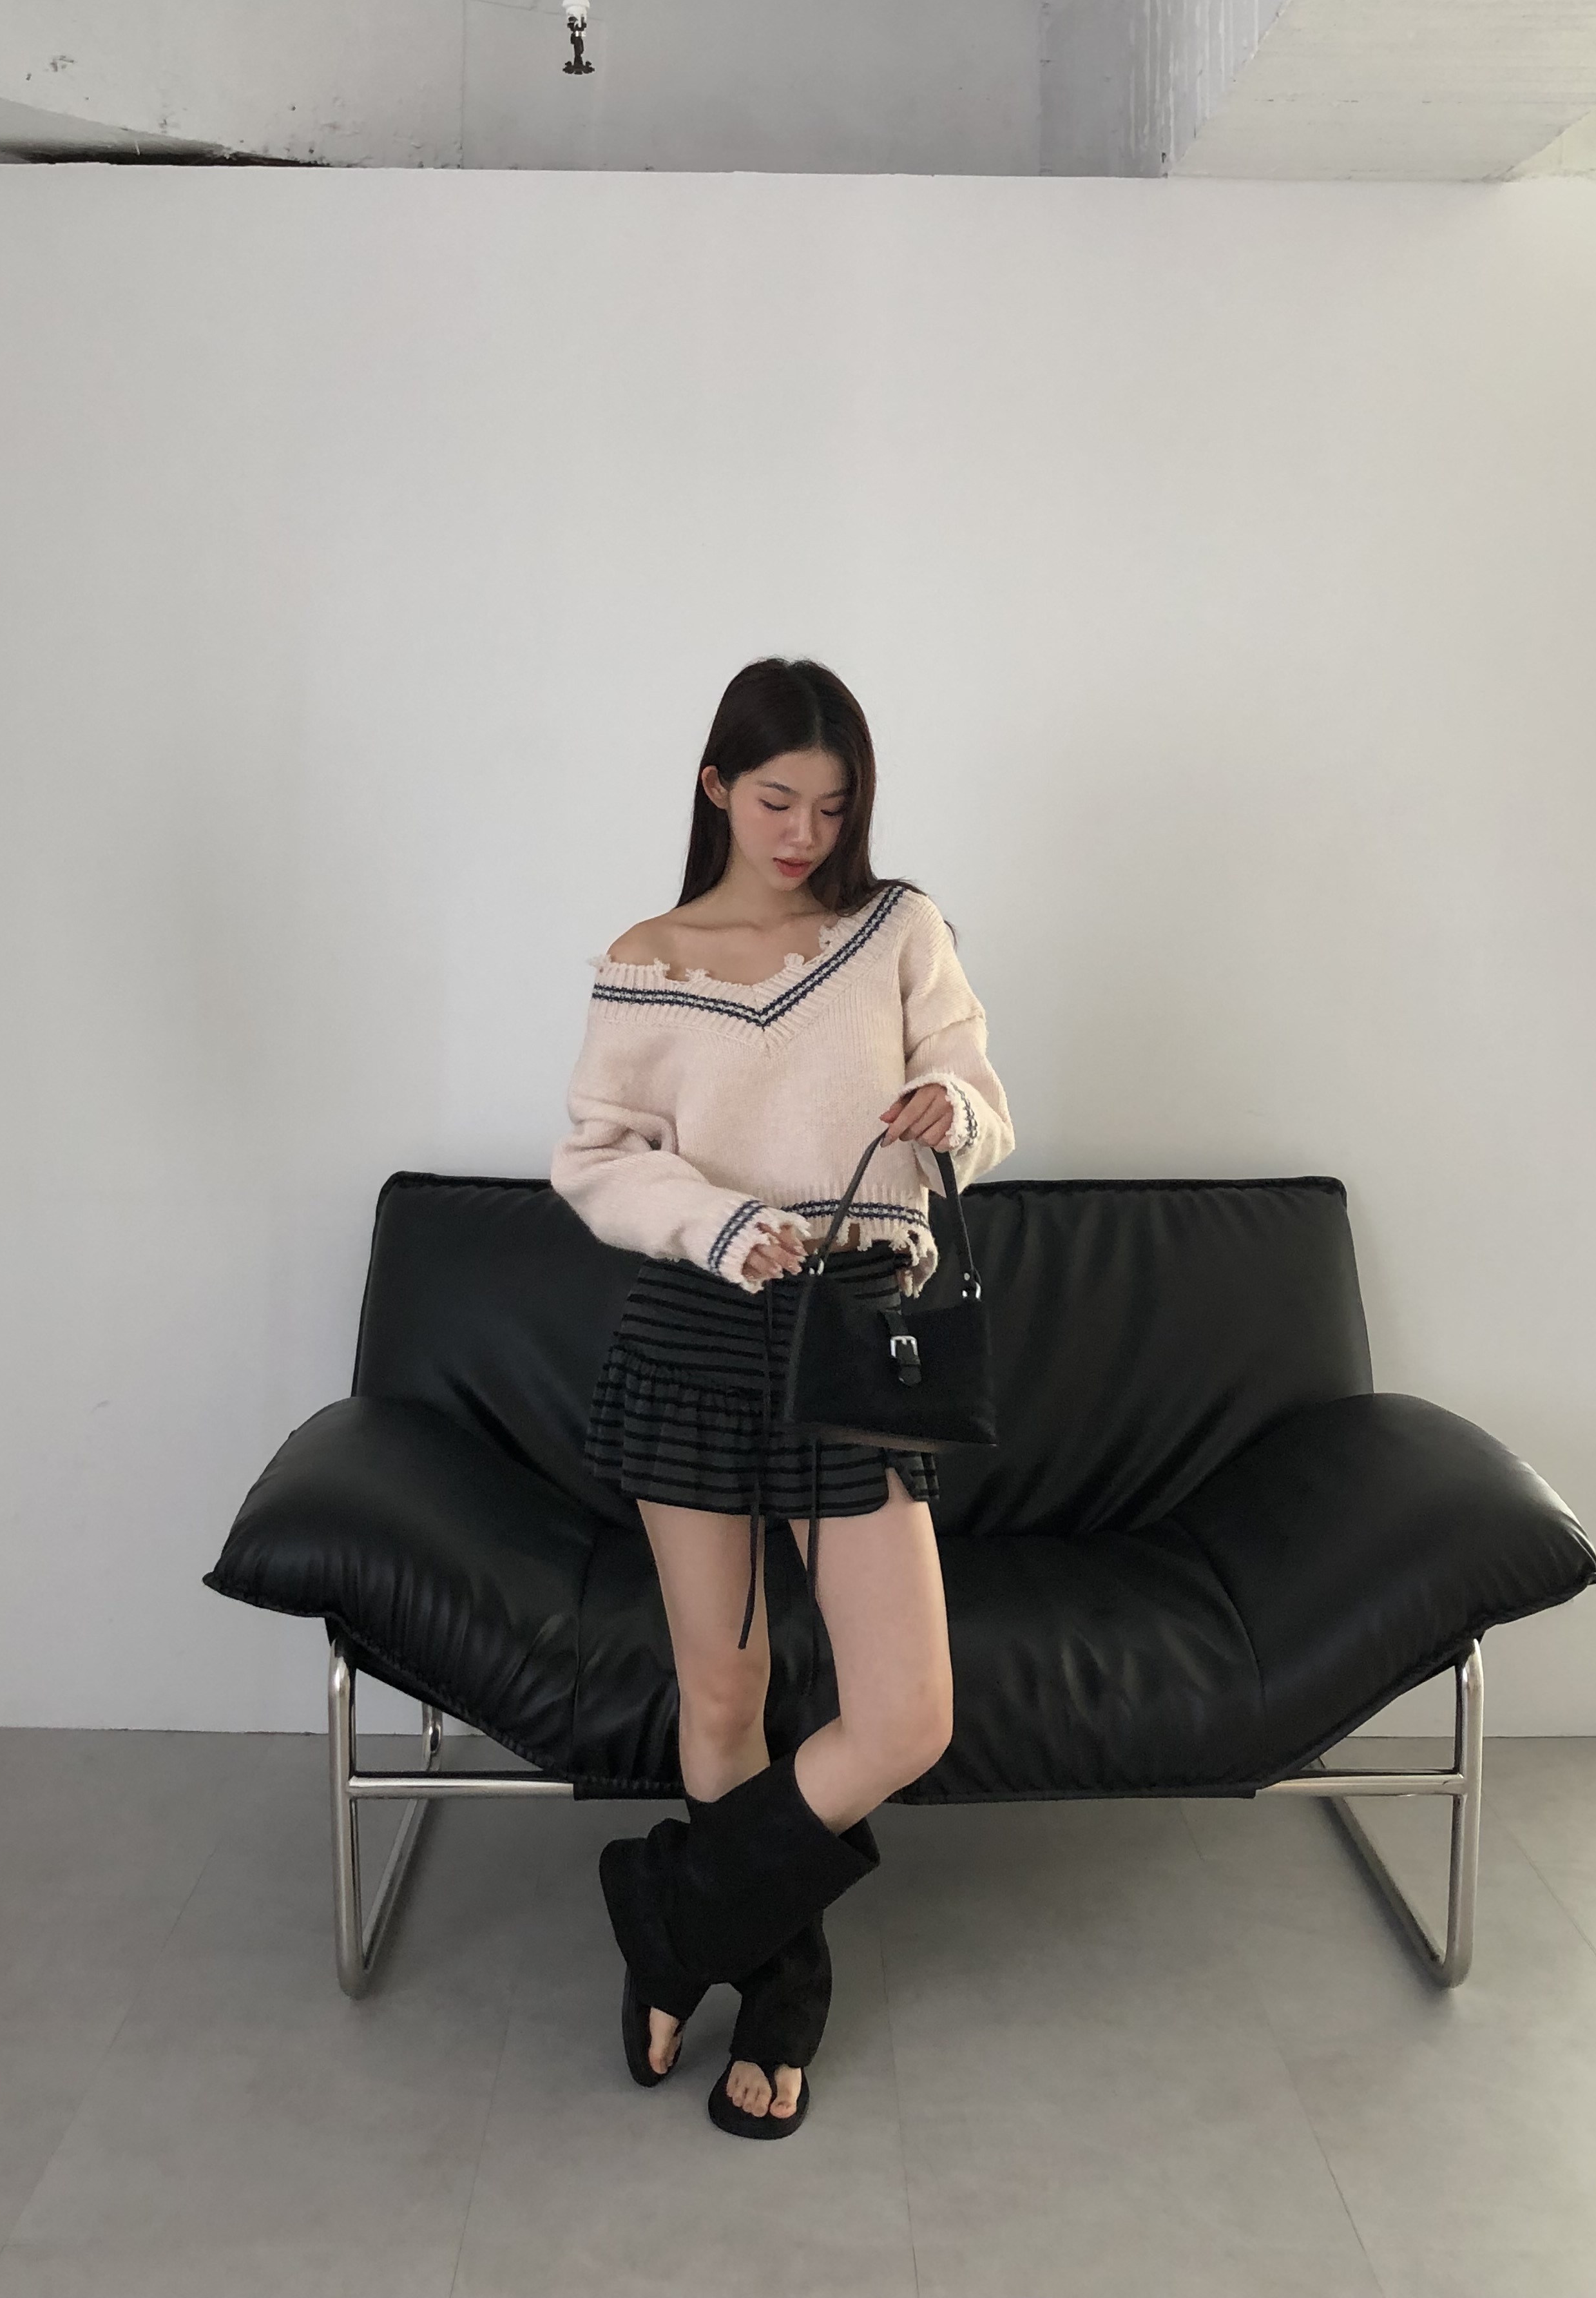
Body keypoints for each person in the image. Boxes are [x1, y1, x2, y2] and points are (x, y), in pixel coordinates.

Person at [549, 655, 1014, 2141]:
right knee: (726, 1692)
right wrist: (720, 1223)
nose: (806, 833)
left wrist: (956, 1112)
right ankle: (781, 1988)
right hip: (697, 1330)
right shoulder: (648, 958)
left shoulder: (898, 931)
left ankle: (671, 1908)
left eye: (832, 804)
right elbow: (599, 1161)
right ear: (716, 789)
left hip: (856, 1341)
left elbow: (982, 1098)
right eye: (775, 801)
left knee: (906, 1715)